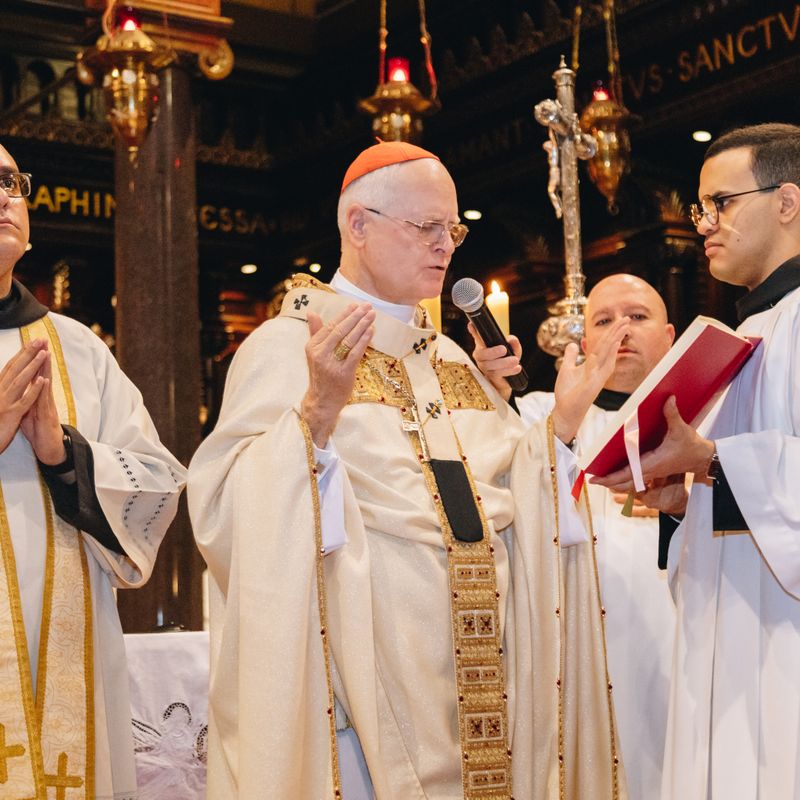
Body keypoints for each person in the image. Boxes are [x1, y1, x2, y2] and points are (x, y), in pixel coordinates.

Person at [188, 141, 633, 799]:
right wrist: (311, 416)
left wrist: (557, 429)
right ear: (358, 226)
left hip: (484, 675)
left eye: (452, 229)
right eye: (425, 227)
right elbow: (224, 508)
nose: (445, 245)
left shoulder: (453, 357)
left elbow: (506, 492)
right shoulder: (292, 346)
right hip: (367, 693)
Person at [594, 123, 800, 799]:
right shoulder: (736, 337)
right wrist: (688, 499)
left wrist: (711, 460)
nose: (704, 223)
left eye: (721, 203)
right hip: (731, 640)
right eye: (699, 208)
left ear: (787, 202)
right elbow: (751, 490)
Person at [0, 143, 186, 799]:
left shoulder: (79, 348)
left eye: (9, 181)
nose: (1, 196)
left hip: (71, 658)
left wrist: (62, 454)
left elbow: (157, 483)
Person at [473, 273, 677, 800]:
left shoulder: (703, 414)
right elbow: (507, 498)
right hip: (577, 654)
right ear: (582, 343)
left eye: (637, 316)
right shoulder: (539, 412)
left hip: (678, 650)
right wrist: (563, 416)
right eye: (603, 321)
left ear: (671, 336)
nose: (620, 332)